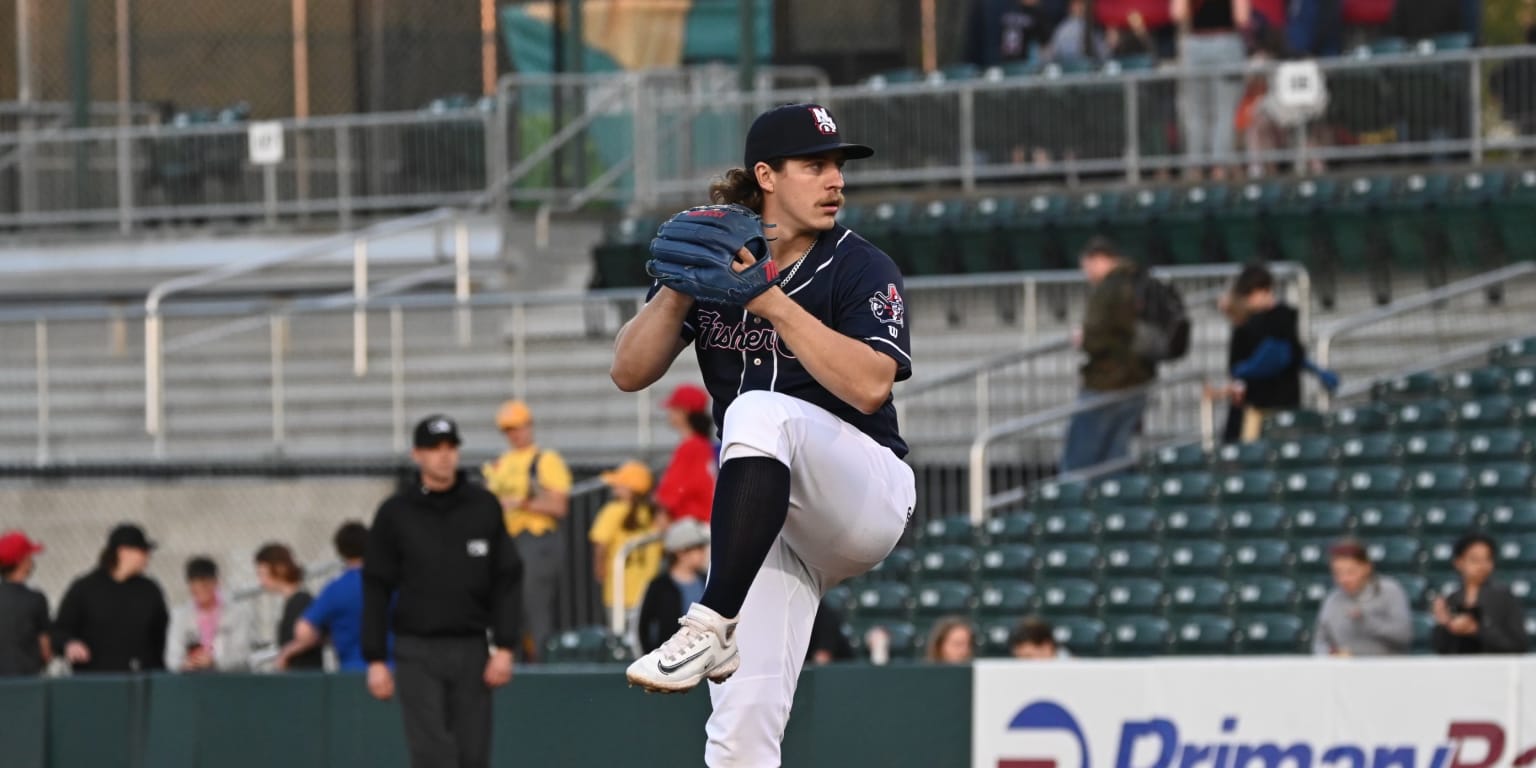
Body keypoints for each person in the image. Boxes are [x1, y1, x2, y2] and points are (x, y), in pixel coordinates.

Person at [611, 102, 916, 766]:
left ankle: (711, 621)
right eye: (816, 166)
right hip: (770, 527)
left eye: (838, 166)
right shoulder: (726, 257)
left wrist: (770, 301)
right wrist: (676, 288)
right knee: (738, 734)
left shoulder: (861, 266)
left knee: (757, 410)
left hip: (862, 494)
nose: (835, 180)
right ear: (766, 175)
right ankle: (720, 629)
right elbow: (628, 371)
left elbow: (870, 386)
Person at [363, 415, 522, 768]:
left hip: (471, 649)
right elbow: (375, 585)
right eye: (434, 448)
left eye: (450, 447)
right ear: (417, 454)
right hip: (416, 649)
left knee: (473, 754)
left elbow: (507, 578)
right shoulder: (396, 513)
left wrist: (505, 647)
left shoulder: (483, 506)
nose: (443, 456)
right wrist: (375, 658)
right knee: (433, 754)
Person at [483, 399, 572, 661]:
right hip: (508, 541)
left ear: (529, 426)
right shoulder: (501, 463)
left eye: (518, 427)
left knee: (536, 608)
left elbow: (559, 505)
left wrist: (521, 503)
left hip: (536, 539)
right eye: (508, 429)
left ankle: (543, 668)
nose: (514, 434)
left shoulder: (544, 460)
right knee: (510, 610)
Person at [1061, 238, 1154, 472]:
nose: (1086, 273)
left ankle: (1072, 506)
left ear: (1098, 260)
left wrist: (1084, 339)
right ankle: (1111, 505)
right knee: (1115, 458)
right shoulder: (1140, 281)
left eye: (1086, 266)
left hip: (1108, 381)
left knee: (1080, 460)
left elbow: (1097, 338)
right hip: (1139, 380)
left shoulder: (1109, 288)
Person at [53, 524, 169, 674]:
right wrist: (69, 644)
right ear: (123, 552)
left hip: (141, 683)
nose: (147, 557)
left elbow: (163, 635)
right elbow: (59, 631)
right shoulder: (85, 588)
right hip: (95, 682)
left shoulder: (150, 590)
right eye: (142, 551)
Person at [279, 521, 375, 671]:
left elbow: (304, 630)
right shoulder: (391, 582)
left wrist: (287, 652)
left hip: (352, 674)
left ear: (340, 550)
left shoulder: (337, 588)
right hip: (396, 673)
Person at [1172, 0, 1251, 180]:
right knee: (1224, 111)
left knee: (1196, 111)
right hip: (1226, 42)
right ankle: (1219, 168)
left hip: (1194, 44)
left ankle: (1196, 167)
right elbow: (1242, 17)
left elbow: (1178, 13)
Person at [590, 460, 665, 624]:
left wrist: (599, 567)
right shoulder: (653, 513)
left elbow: (600, 543)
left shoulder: (613, 510)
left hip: (619, 593)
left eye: (619, 485)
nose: (614, 488)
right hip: (647, 593)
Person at [1431, 533, 1530, 655]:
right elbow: (1442, 649)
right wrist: (1444, 624)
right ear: (1459, 562)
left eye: (1487, 559)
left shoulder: (1504, 597)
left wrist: (1477, 630)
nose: (1482, 566)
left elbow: (1519, 644)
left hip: (1496, 668)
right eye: (1475, 560)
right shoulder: (1452, 600)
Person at [1313, 538, 1412, 657]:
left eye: (1350, 572)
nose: (1344, 579)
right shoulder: (1332, 600)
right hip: (1345, 671)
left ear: (1366, 567)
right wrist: (1329, 654)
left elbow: (1403, 634)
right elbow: (1320, 642)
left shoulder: (1389, 591)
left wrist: (1367, 621)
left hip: (1386, 669)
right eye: (1338, 573)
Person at [165, 557, 256, 673]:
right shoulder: (180, 616)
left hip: (230, 680)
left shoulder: (238, 613)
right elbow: (172, 657)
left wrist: (215, 661)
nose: (200, 593)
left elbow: (242, 655)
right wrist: (184, 663)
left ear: (215, 583)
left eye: (205, 586)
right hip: (193, 680)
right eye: (195, 589)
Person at [636, 519, 711, 654]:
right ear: (681, 552)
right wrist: (652, 657)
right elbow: (644, 626)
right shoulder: (659, 586)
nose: (704, 552)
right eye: (698, 548)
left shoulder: (707, 581)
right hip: (669, 660)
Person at [655, 383, 718, 524]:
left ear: (683, 411)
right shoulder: (702, 444)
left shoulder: (690, 446)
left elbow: (670, 493)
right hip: (703, 524)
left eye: (673, 408)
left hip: (694, 526)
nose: (669, 413)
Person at [254, 543, 321, 670]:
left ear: (280, 569)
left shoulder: (301, 601)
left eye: (262, 574)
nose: (260, 581)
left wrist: (285, 654)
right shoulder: (292, 602)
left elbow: (311, 636)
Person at [0, 531, 51, 676]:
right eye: (29, 556)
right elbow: (45, 650)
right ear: (21, 561)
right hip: (27, 683)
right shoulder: (36, 599)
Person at [1046, 0, 1110, 64]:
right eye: (1076, 4)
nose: (1079, 8)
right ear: (1070, 7)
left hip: (1091, 68)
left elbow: (1103, 53)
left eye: (1081, 4)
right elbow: (1053, 53)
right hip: (1069, 68)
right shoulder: (1063, 28)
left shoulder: (1092, 26)